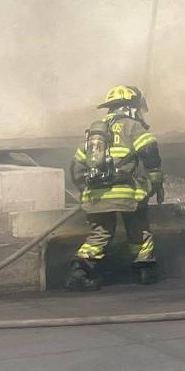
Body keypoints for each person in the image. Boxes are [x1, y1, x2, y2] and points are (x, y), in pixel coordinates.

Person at [66, 85, 164, 290]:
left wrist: (85, 191)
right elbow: (149, 151)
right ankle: (145, 271)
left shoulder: (94, 133)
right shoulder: (132, 126)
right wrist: (155, 180)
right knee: (139, 230)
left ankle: (79, 273)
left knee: (99, 234)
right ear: (131, 106)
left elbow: (76, 167)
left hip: (96, 195)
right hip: (127, 193)